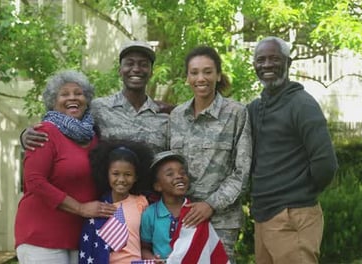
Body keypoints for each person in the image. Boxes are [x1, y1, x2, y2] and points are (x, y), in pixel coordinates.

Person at [248, 36, 338, 264]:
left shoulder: (302, 104)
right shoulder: (256, 108)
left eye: (274, 59)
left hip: (293, 215)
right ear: (255, 66)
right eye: (261, 60)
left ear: (288, 63)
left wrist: (299, 194)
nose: (267, 64)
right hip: (262, 215)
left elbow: (325, 163)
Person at [14, 70, 117, 264]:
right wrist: (81, 208)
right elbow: (34, 181)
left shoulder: (94, 136)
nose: (73, 98)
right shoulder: (44, 132)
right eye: (65, 94)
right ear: (53, 102)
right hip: (42, 235)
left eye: (78, 93)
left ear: (87, 100)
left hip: (80, 237)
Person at [168, 46, 252, 263]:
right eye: (194, 72)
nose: (200, 78)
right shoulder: (177, 116)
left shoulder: (236, 113)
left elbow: (242, 172)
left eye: (207, 71)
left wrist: (210, 204)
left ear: (218, 75)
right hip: (182, 217)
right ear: (187, 77)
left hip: (221, 221)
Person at [20, 40, 169, 153]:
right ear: (120, 70)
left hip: (152, 193)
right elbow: (62, 123)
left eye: (143, 64)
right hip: (108, 194)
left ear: (151, 72)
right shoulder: (98, 108)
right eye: (129, 63)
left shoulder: (164, 115)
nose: (136, 69)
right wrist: (26, 134)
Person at [140, 151, 230, 264]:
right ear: (158, 186)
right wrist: (152, 259)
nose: (179, 176)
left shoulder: (196, 212)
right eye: (170, 174)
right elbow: (144, 247)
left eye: (182, 172)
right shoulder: (149, 214)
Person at [79, 140, 153, 264]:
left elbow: (146, 240)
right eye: (115, 174)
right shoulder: (98, 208)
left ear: (136, 177)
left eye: (128, 174)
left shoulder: (141, 202)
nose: (121, 179)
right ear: (106, 174)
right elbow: (90, 246)